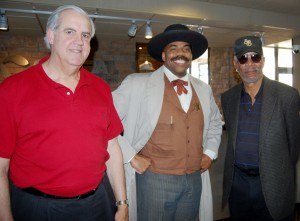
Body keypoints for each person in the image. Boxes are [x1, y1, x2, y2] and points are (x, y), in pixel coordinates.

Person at [0, 5, 128, 221]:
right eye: (70, 32)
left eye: (85, 35)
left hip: (98, 203)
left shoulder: (100, 88)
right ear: (50, 35)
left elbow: (112, 146)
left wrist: (122, 204)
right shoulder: (12, 90)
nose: (79, 41)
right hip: (39, 209)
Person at [113, 24, 222, 221]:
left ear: (191, 56)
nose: (181, 53)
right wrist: (131, 156)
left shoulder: (204, 90)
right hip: (154, 180)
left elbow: (215, 122)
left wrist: (210, 152)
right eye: (174, 48)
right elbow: (103, 119)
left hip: (194, 180)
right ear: (163, 56)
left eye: (186, 48)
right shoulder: (137, 83)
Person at [221, 36, 300, 221]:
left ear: (263, 60)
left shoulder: (287, 96)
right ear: (235, 64)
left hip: (273, 184)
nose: (250, 64)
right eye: (243, 58)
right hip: (238, 184)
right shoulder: (228, 98)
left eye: (255, 57)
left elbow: (294, 148)